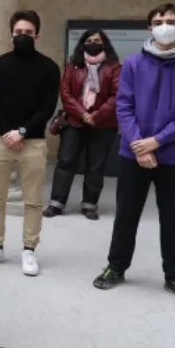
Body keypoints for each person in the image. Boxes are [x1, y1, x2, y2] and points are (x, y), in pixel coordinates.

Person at [93, 3, 175, 307]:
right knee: (126, 215)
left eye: (170, 21)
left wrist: (156, 141)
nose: (164, 26)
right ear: (149, 28)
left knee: (172, 219)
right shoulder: (133, 63)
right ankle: (116, 267)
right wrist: (138, 145)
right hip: (134, 154)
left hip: (173, 155)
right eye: (158, 21)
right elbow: (124, 107)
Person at [0, 10, 59, 276]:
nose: (23, 36)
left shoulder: (49, 68)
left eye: (28, 33)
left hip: (32, 142)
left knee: (33, 201)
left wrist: (22, 132)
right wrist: (7, 132)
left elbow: (47, 107)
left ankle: (29, 249)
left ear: (37, 36)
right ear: (11, 35)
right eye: (18, 32)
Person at [44, 29, 121, 220]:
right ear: (83, 44)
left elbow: (117, 95)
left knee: (95, 166)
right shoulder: (73, 66)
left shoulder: (114, 67)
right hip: (74, 122)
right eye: (89, 40)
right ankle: (56, 203)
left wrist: (96, 116)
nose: (93, 43)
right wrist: (83, 114)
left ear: (104, 44)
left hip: (104, 124)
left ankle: (89, 205)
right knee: (66, 162)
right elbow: (65, 93)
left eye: (97, 40)